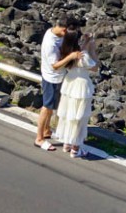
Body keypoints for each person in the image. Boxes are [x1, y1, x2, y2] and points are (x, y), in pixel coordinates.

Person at [35, 16, 82, 151]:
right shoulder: (50, 43)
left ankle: (46, 130)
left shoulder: (53, 31)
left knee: (51, 107)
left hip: (54, 76)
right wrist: (71, 57)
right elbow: (55, 65)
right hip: (52, 78)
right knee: (47, 107)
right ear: (64, 29)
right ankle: (39, 139)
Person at [55, 30, 99, 158]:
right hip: (81, 86)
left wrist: (86, 43)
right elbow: (95, 67)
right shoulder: (82, 55)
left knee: (68, 114)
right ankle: (76, 148)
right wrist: (92, 48)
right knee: (79, 118)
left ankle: (66, 143)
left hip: (69, 83)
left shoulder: (66, 52)